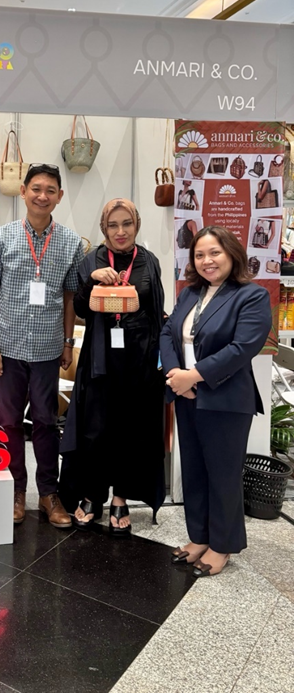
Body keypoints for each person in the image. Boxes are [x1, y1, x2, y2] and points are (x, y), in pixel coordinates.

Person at [0, 164, 84, 528]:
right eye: (36, 188)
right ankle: (15, 490)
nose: (42, 196)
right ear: (22, 191)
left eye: (50, 190)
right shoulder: (1, 238)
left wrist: (68, 342)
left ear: (59, 196)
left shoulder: (71, 242)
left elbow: (70, 298)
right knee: (8, 422)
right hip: (7, 349)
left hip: (48, 350)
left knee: (46, 422)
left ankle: (49, 495)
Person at [160, 226, 271, 576]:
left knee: (222, 474)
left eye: (214, 253)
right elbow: (168, 332)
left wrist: (194, 376)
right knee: (193, 469)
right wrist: (177, 375)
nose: (207, 261)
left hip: (225, 399)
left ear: (231, 254)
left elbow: (242, 348)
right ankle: (200, 537)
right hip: (186, 395)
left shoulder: (251, 296)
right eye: (199, 255)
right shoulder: (190, 293)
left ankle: (222, 545)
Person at [59, 199, 166, 534]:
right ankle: (92, 494)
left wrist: (161, 360)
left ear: (136, 225)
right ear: (104, 229)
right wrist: (91, 280)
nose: (121, 232)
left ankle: (121, 497)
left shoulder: (149, 262)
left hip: (139, 359)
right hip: (100, 359)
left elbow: (156, 309)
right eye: (113, 225)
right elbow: (78, 308)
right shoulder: (91, 260)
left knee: (130, 431)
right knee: (96, 429)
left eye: (127, 224)